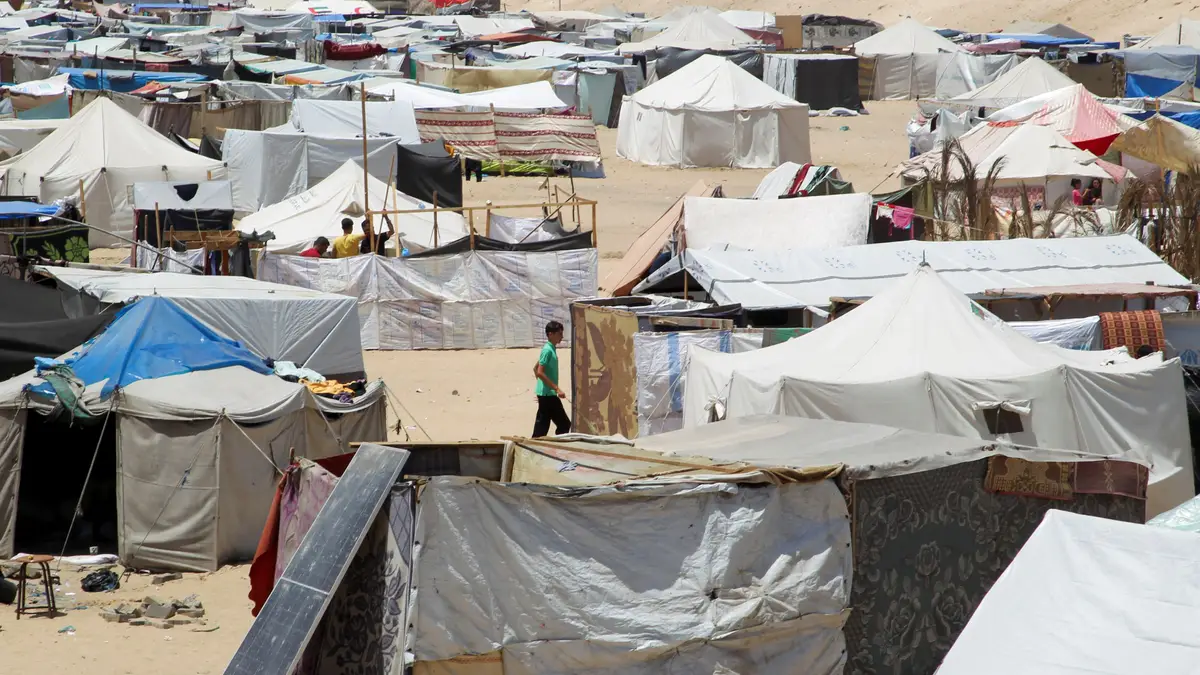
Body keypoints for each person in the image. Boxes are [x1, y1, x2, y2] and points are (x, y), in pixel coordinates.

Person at [532, 320, 571, 437]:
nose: (562, 337)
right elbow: (539, 372)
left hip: (546, 394)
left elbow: (535, 368)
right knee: (563, 424)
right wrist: (556, 388)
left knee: (543, 427)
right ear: (550, 334)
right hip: (548, 395)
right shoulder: (547, 350)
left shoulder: (551, 349)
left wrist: (541, 389)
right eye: (559, 334)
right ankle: (555, 447)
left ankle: (538, 445)